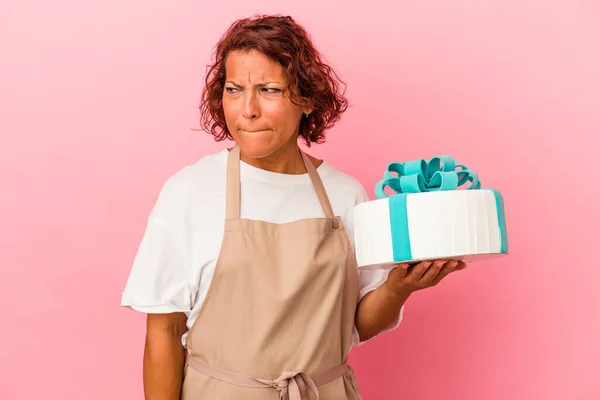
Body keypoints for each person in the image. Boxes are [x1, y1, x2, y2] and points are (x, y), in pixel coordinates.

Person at [121, 14, 466, 400]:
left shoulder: (344, 194)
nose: (247, 109)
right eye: (234, 89)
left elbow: (356, 325)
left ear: (305, 99)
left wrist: (400, 288)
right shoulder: (189, 192)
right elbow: (163, 333)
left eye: (268, 89)